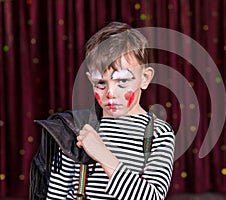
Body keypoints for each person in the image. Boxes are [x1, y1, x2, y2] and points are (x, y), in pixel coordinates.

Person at [33, 22, 175, 199]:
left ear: (145, 78)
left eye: (122, 81)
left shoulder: (159, 133)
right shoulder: (76, 128)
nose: (110, 93)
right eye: (101, 83)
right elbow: (56, 194)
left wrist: (102, 154)